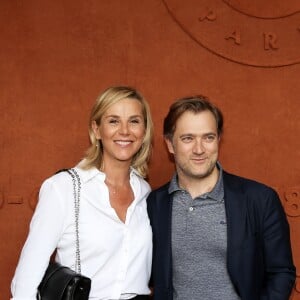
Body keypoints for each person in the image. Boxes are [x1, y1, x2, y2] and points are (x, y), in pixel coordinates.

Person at [147, 95, 296, 300]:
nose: (199, 149)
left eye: (208, 137)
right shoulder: (154, 204)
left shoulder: (260, 200)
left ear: (218, 140)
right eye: (188, 138)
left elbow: (281, 272)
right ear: (170, 145)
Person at [11, 86, 154, 300]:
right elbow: (27, 278)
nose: (125, 131)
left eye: (134, 121)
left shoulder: (144, 191)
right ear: (96, 130)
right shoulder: (63, 188)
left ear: (144, 131)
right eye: (113, 121)